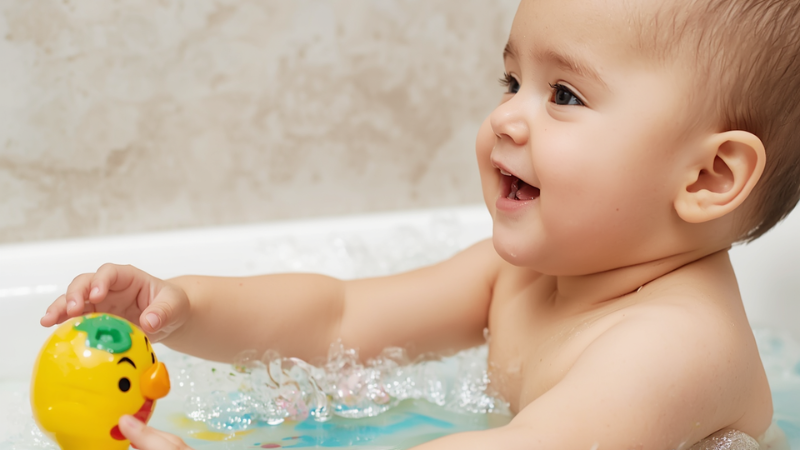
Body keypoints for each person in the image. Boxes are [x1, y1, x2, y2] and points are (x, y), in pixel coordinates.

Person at [41, 0, 800, 448]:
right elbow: (342, 318)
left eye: (563, 95)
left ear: (709, 177)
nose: (506, 116)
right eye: (512, 80)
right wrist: (183, 307)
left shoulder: (676, 347)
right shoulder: (527, 275)